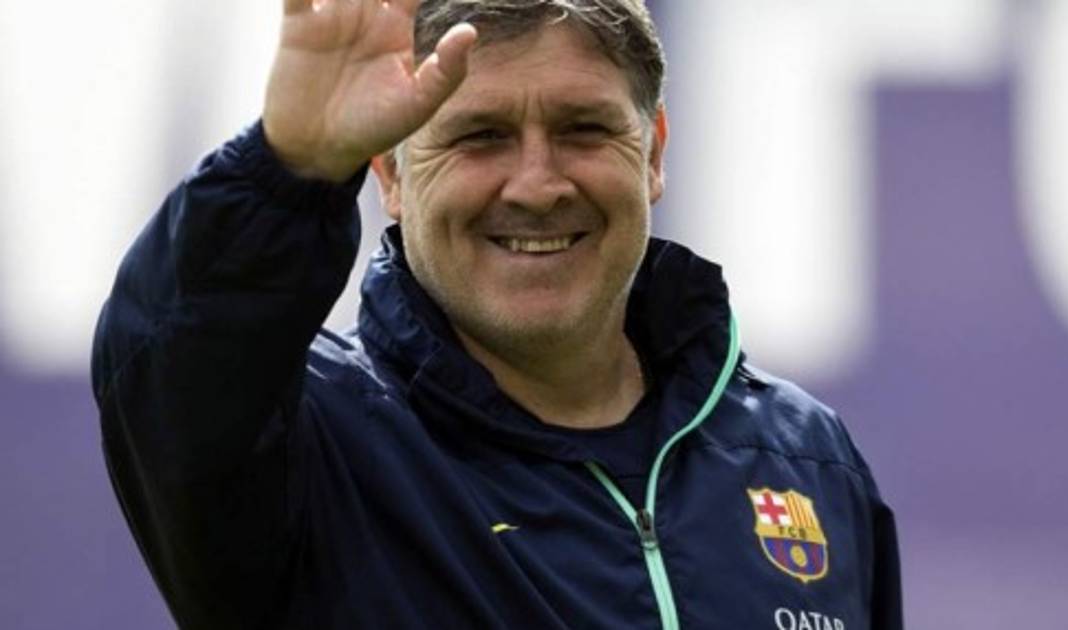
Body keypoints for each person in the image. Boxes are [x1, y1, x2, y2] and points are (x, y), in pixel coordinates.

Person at [91, 0, 902, 628]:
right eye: (480, 136)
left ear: (653, 152)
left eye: (583, 129)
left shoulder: (804, 457)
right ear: (391, 174)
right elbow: (170, 365)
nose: (537, 186)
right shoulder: (320, 443)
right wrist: (288, 169)